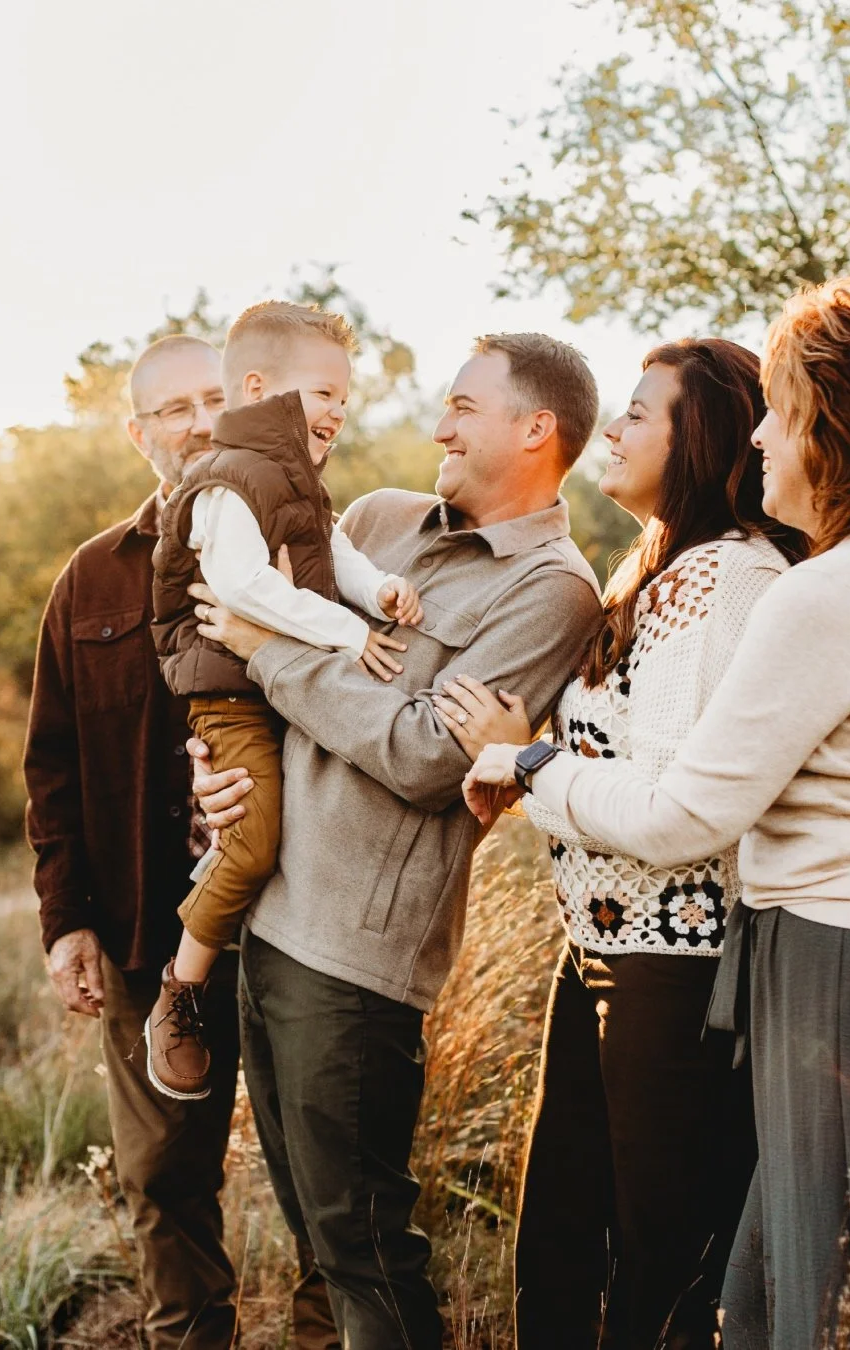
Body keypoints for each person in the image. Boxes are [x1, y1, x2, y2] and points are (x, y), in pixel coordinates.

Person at [466, 277, 850, 1349]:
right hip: (684, 944)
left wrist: (532, 767)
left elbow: (681, 810)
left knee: (732, 1268)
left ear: (829, 430)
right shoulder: (704, 578)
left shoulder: (784, 588)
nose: (761, 436)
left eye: (782, 410)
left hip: (749, 950)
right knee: (725, 1269)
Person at [186, 333, 605, 1348]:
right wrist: (218, 747)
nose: (438, 426)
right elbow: (237, 638)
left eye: (462, 406)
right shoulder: (372, 522)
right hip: (267, 916)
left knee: (367, 1249)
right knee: (321, 1247)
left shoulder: (552, 591)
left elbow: (423, 761)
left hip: (359, 965)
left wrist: (275, 656)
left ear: (534, 429)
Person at [436, 338, 804, 1348]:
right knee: (560, 1234)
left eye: (642, 412)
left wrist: (528, 766)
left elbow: (678, 808)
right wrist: (528, 771)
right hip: (602, 948)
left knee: (658, 1259)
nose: (615, 429)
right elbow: (620, 760)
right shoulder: (655, 567)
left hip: (674, 968)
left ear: (704, 440)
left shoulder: (726, 579)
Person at [24, 335, 295, 1350]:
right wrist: (67, 924)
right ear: (139, 436)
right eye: (173, 408)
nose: (200, 422)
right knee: (159, 1176)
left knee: (321, 1175)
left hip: (294, 927)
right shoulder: (90, 581)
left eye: (217, 399)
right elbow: (50, 767)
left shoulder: (298, 552)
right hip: (145, 932)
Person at [147, 301, 422, 1103]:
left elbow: (332, 550)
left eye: (345, 395)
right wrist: (346, 630)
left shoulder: (294, 476)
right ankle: (181, 989)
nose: (339, 409)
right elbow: (239, 584)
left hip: (271, 681)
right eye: (323, 392)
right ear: (260, 387)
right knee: (256, 836)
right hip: (227, 691)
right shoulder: (230, 475)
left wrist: (381, 589)